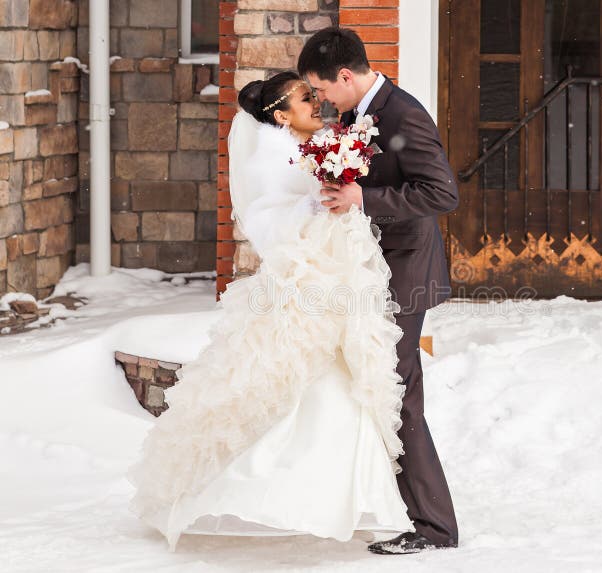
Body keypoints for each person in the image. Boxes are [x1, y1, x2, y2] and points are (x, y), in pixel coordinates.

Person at [127, 71, 414, 551]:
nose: (316, 102)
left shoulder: (317, 144)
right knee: (298, 381)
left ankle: (337, 497)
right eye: (306, 98)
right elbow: (274, 230)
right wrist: (325, 203)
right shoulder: (272, 159)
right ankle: (251, 493)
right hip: (304, 289)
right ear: (281, 114)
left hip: (333, 281)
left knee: (337, 383)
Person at [298, 27, 460, 554]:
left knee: (396, 393)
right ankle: (413, 513)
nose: (321, 100)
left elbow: (441, 193)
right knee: (387, 389)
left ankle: (434, 528)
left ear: (345, 76)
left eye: (322, 89)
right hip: (373, 271)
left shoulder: (403, 113)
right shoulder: (358, 114)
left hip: (405, 273)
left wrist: (362, 197)